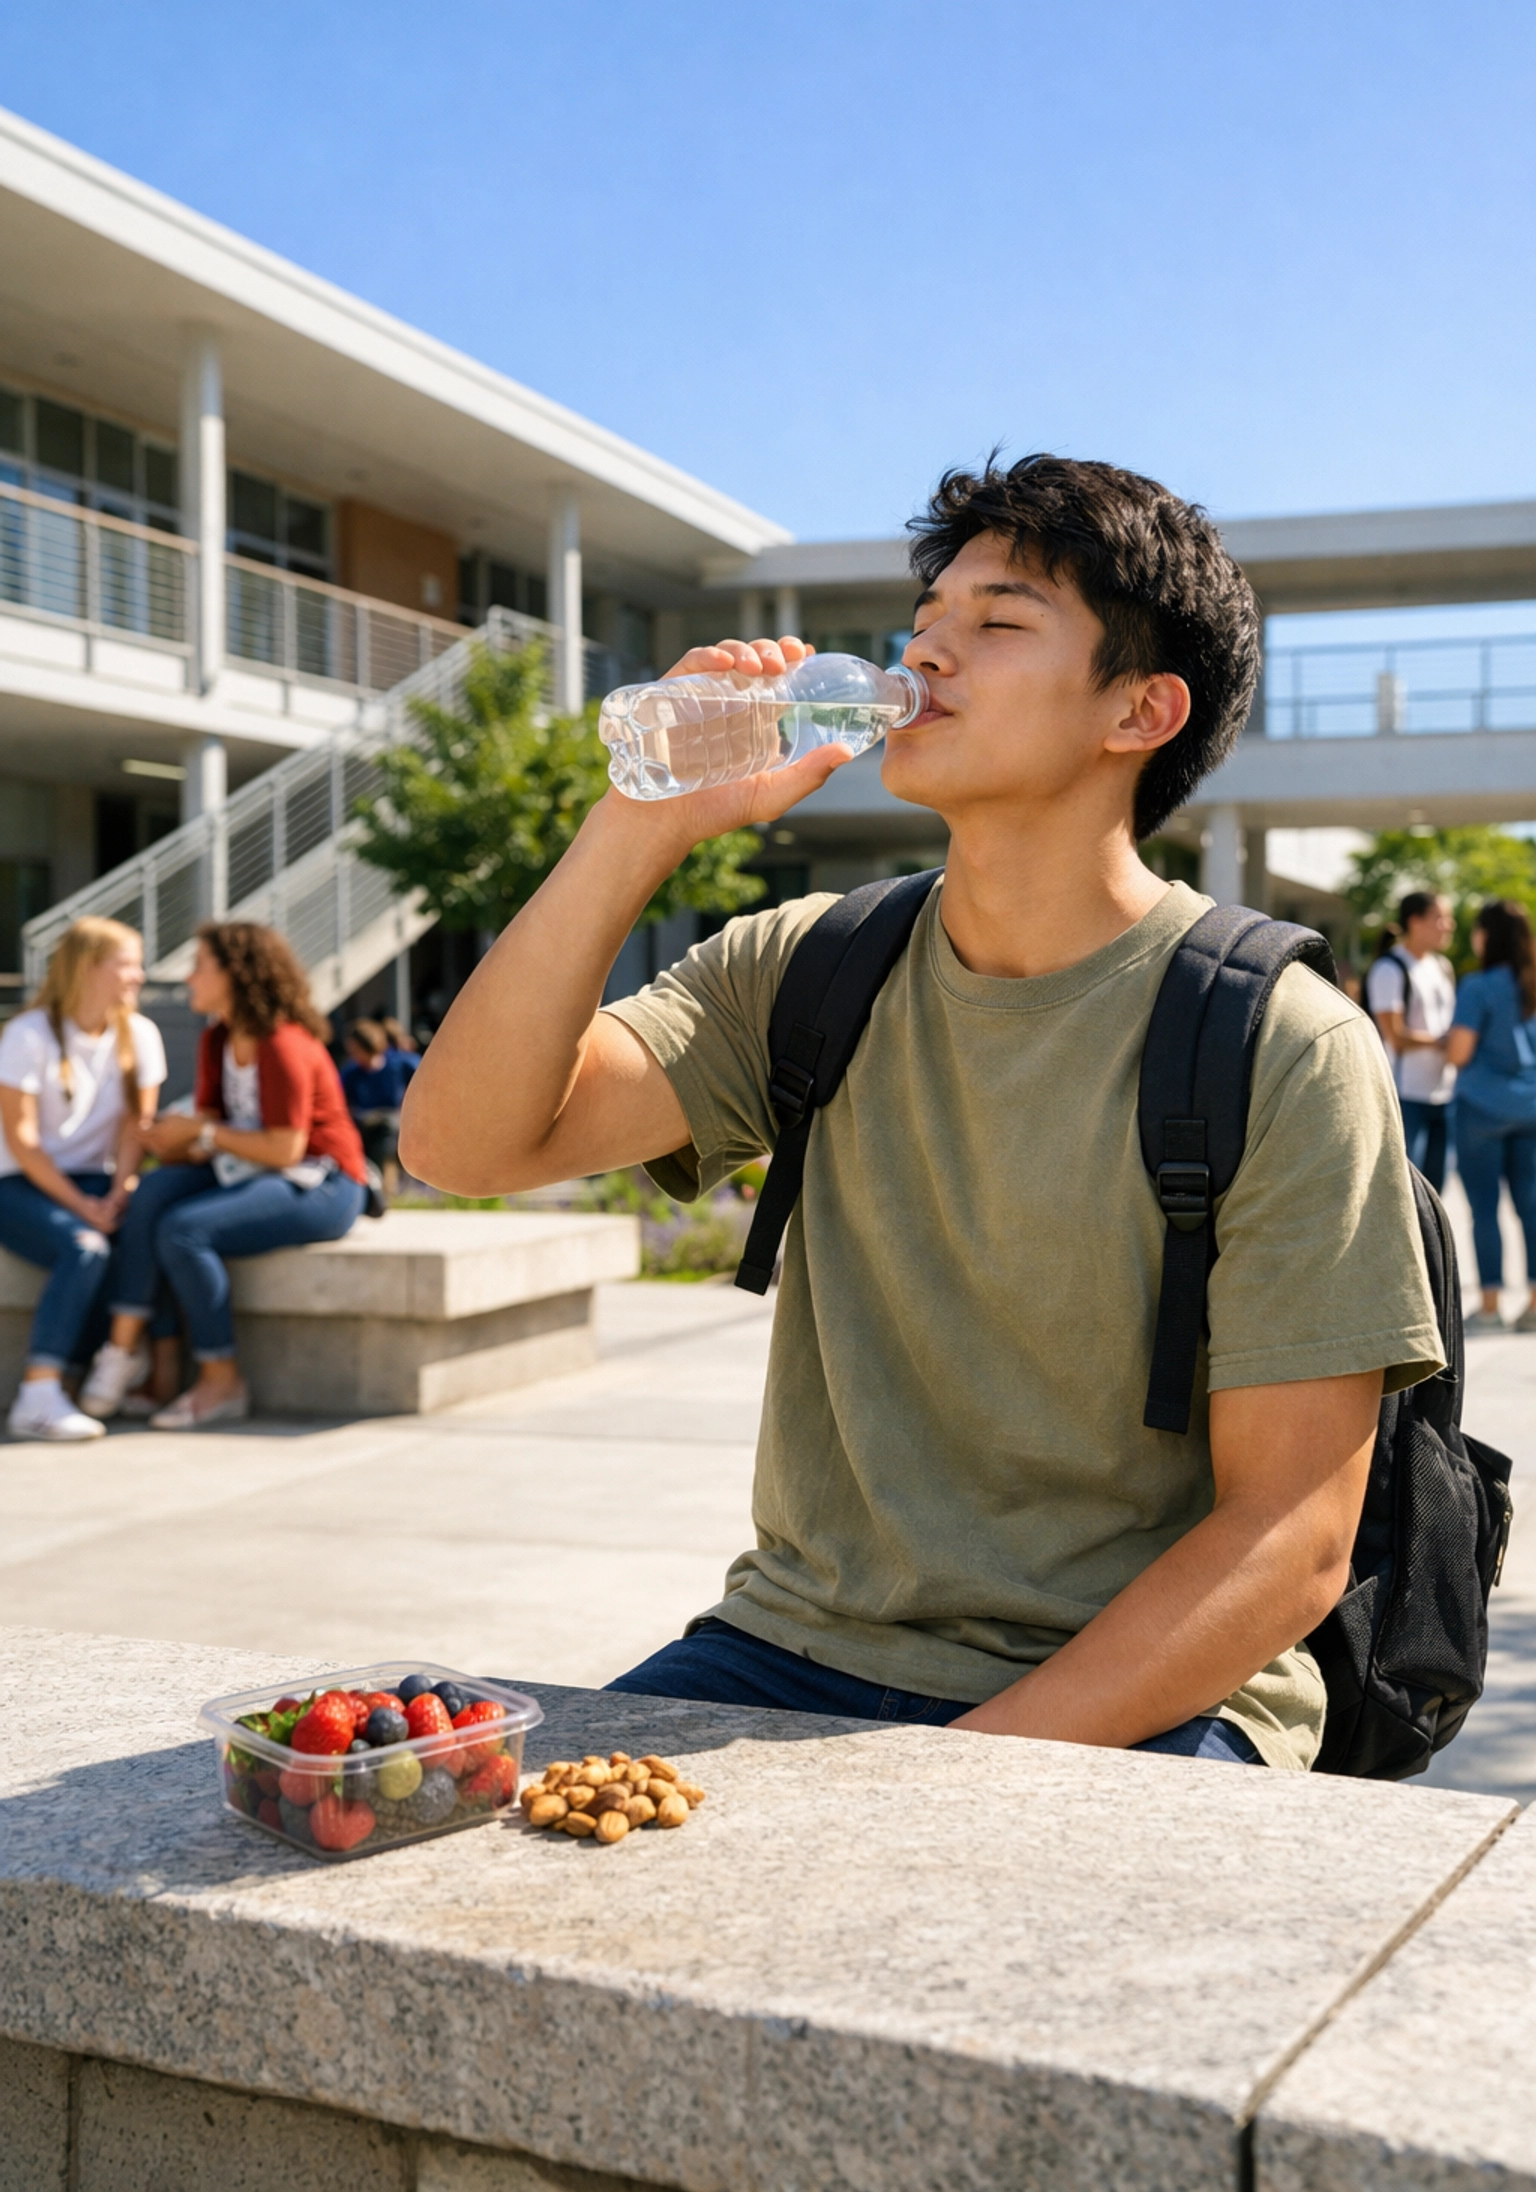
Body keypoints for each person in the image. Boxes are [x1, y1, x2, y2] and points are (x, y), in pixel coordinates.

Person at [402, 452, 1441, 1772]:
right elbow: (461, 1145)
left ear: (1141, 711)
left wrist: (942, 1786)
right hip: (793, 1649)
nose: (929, 653)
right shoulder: (808, 968)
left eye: (1000, 622)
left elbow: (1290, 1537)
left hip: (1148, 1689)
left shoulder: (1279, 1040)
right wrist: (641, 823)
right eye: (926, 621)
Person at [80, 921, 367, 1427]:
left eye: (199, 967)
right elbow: (213, 1127)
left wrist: (201, 1134)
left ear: (235, 975)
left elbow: (284, 1147)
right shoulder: (217, 1038)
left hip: (323, 1182)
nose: (188, 979)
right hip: (247, 1167)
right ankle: (137, 1358)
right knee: (151, 1196)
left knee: (185, 1229)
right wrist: (172, 1139)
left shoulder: (283, 1043)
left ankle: (221, 1380)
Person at [0, 917, 165, 1441]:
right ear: (91, 968)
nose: (138, 976)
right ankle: (39, 1394)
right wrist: (82, 1206)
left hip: (98, 1183)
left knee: (149, 1227)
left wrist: (121, 1190)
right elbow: (23, 1142)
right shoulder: (27, 1034)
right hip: (20, 1183)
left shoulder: (140, 1034)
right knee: (87, 1247)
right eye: (127, 964)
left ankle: (133, 1371)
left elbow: (135, 1129)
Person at [1445, 899, 1536, 1334]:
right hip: (1531, 1107)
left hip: (1482, 1109)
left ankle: (1490, 1306)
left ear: (1488, 936)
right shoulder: (1531, 983)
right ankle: (1534, 1305)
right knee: (1532, 1208)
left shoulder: (1477, 986)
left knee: (1484, 1209)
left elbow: (1460, 1052)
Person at [1364, 891, 1458, 1191]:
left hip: (1445, 1094)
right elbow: (1395, 1036)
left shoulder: (1442, 966)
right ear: (1415, 922)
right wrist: (1442, 1041)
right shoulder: (1389, 969)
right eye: (1440, 918)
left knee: (1437, 1194)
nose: (1449, 925)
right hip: (1407, 1095)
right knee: (1406, 1192)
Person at [340, 1015, 419, 1192]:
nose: (353, 1055)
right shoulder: (351, 1072)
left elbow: (424, 1077)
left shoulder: (398, 1062)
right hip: (363, 1122)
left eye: (356, 1050)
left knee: (385, 1137)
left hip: (392, 1122)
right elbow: (342, 1100)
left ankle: (383, 1188)